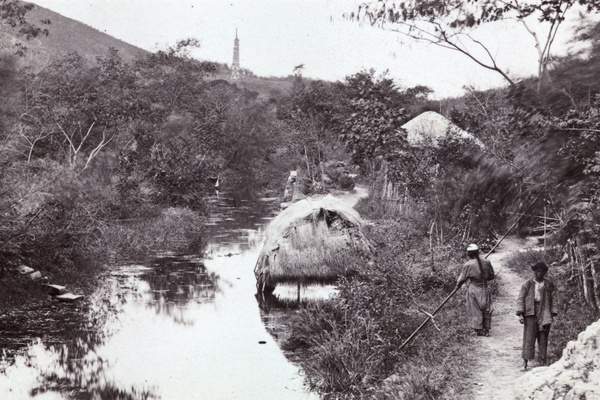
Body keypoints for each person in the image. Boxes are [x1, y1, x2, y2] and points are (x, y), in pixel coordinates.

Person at [516, 262, 558, 371]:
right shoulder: (527, 284)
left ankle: (542, 363)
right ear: (534, 272)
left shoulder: (549, 284)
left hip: (544, 312)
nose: (539, 274)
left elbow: (554, 299)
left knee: (543, 338)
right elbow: (521, 299)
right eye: (537, 271)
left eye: (542, 272)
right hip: (530, 313)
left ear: (545, 273)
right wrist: (521, 314)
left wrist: (553, 314)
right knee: (528, 338)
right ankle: (525, 363)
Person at [456, 244, 495, 336]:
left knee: (475, 308)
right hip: (485, 288)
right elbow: (492, 276)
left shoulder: (468, 264)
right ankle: (486, 329)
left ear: (469, 254)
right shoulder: (487, 262)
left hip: (474, 288)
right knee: (487, 308)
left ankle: (479, 329)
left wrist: (457, 286)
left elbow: (462, 279)